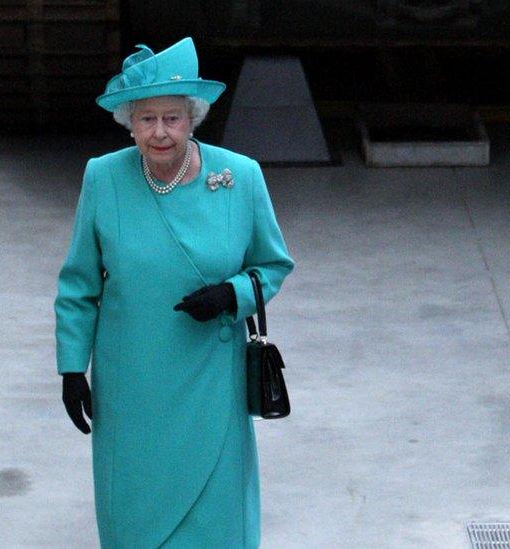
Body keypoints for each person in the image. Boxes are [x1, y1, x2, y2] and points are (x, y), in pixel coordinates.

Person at [54, 36, 295, 547]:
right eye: (146, 119)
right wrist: (72, 367)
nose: (160, 133)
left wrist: (232, 297)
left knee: (215, 518)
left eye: (172, 118)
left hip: (211, 378)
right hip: (131, 382)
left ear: (193, 117)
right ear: (129, 121)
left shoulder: (241, 177)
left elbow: (272, 264)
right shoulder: (104, 178)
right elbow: (78, 284)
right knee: (135, 513)